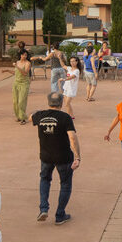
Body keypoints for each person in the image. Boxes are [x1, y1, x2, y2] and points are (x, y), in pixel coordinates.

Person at [33, 92, 81, 224]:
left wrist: (38, 112)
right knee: (65, 184)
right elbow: (72, 137)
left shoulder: (40, 115)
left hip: (46, 156)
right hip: (63, 157)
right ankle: (60, 215)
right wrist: (78, 157)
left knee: (45, 179)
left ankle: (44, 208)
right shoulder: (65, 117)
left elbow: (31, 116)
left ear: (48, 102)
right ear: (61, 103)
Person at [3, 51, 32, 125]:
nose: (24, 56)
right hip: (16, 83)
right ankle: (18, 116)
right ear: (20, 55)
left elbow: (25, 73)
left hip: (24, 84)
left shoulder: (28, 63)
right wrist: (7, 70)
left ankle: (23, 118)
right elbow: (15, 73)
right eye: (23, 55)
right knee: (15, 101)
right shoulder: (18, 62)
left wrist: (17, 66)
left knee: (21, 101)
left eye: (25, 55)